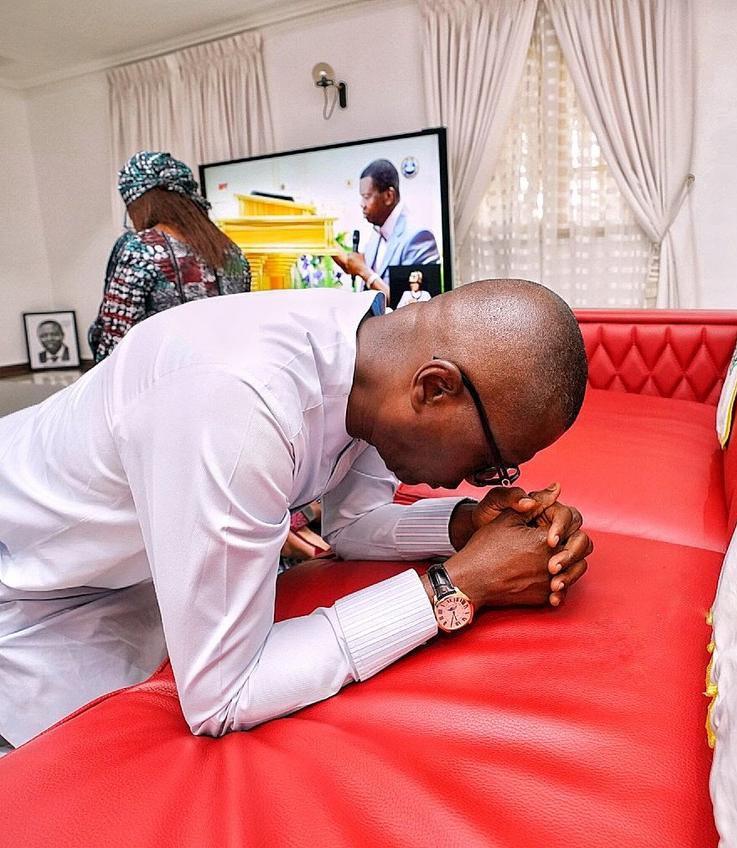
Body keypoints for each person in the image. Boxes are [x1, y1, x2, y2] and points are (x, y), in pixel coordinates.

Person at [0, 280, 592, 747]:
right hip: (28, 596)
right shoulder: (238, 406)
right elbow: (223, 695)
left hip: (118, 575)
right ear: (435, 388)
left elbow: (350, 527)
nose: (477, 480)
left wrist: (466, 527)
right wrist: (458, 586)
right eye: (489, 461)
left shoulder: (371, 356)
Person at [88, 151, 251, 363]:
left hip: (167, 378)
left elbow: (115, 342)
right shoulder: (230, 251)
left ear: (138, 205)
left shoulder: (141, 249)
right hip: (231, 373)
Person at [334, 159, 440, 301]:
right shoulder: (377, 232)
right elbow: (354, 265)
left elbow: (413, 304)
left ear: (389, 196)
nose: (362, 204)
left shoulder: (419, 237)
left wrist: (365, 272)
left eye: (366, 197)